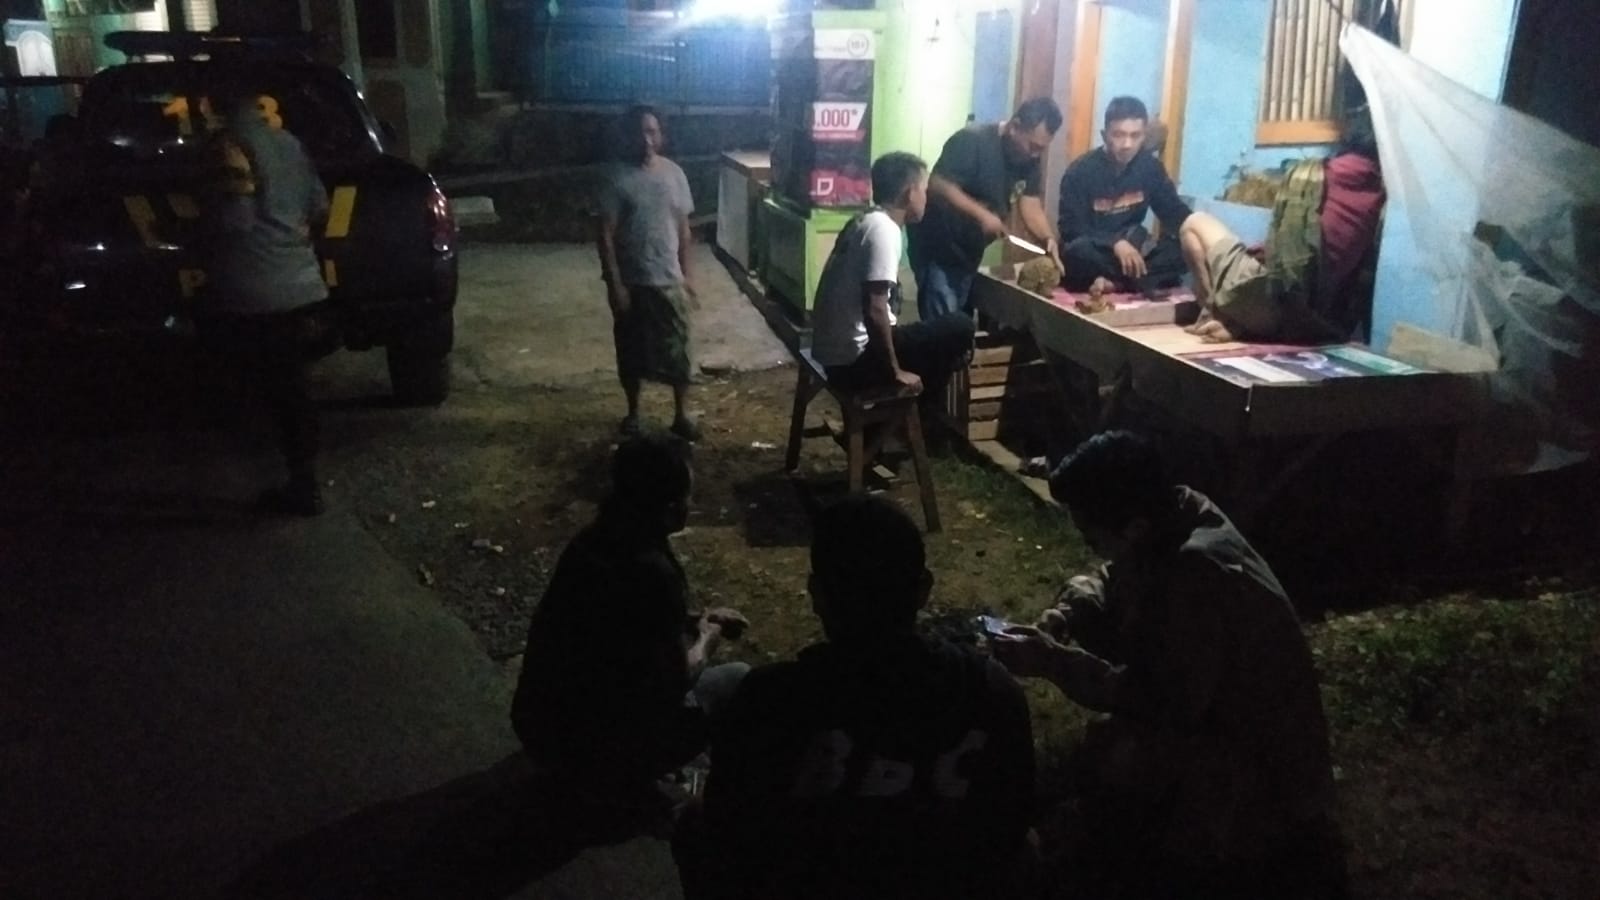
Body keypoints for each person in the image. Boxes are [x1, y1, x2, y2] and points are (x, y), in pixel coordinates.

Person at [990, 431, 1345, 899]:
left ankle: (1202, 847)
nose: (1088, 544)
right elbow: (1111, 574)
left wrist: (1054, 663)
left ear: (1135, 527)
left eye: (1091, 535)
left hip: (1265, 767)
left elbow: (1162, 701)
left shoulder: (1198, 575)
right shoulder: (1176, 512)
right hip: (1218, 713)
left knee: (1118, 755)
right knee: (1110, 737)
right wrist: (1067, 612)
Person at [679, 495, 1036, 900]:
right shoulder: (990, 693)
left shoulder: (769, 700)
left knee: (694, 820)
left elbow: (728, 824)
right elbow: (1010, 828)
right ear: (923, 589)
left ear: (816, 593)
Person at [511, 435, 749, 829]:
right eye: (686, 496)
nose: (690, 504)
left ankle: (599, 776)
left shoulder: (591, 542)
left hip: (538, 728)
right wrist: (708, 635)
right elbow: (677, 677)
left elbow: (625, 622)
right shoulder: (653, 570)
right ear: (669, 508)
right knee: (738, 680)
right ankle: (633, 786)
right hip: (591, 750)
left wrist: (695, 618)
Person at [198, 81, 334, 517]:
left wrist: (192, 232)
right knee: (294, 387)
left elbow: (234, 222)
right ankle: (304, 479)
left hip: (250, 291)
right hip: (304, 287)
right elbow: (319, 206)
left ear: (215, 103)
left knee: (272, 390)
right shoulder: (289, 142)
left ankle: (296, 485)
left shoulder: (228, 147)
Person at [1178, 109, 1386, 344]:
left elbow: (1282, 257)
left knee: (1193, 223)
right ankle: (1235, 324)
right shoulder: (1380, 190)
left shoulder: (1315, 174)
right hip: (1313, 318)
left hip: (1273, 298)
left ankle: (1214, 312)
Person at [811, 151, 976, 436]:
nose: (926, 198)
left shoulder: (866, 220)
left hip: (833, 353)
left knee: (940, 343)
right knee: (960, 327)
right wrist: (895, 371)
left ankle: (889, 427)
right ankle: (904, 425)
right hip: (852, 363)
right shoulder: (884, 231)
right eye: (923, 190)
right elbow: (875, 309)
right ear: (909, 193)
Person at [595, 104, 701, 441]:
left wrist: (688, 276)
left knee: (679, 350)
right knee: (632, 351)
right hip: (634, 281)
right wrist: (615, 285)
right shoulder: (616, 179)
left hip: (669, 279)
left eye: (652, 132)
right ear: (628, 136)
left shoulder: (674, 175)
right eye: (640, 132)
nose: (646, 140)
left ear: (661, 135)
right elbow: (605, 236)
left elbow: (684, 230)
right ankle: (634, 413)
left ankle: (681, 414)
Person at [907, 97, 1064, 321]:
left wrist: (1048, 239)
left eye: (1042, 149)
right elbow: (939, 183)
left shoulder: (1029, 161)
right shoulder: (971, 141)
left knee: (960, 325)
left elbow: (1030, 204)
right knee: (942, 326)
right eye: (1033, 146)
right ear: (1015, 126)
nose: (1035, 155)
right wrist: (982, 215)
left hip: (969, 252)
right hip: (938, 247)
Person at [1057, 96, 1193, 294]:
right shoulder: (1079, 172)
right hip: (1097, 251)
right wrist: (1114, 243)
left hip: (1136, 248)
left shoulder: (1150, 168)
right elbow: (1071, 229)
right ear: (1105, 135)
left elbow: (1174, 212)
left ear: (1144, 136)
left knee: (1185, 249)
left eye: (1135, 135)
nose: (1127, 144)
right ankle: (1137, 281)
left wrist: (1201, 233)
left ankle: (1115, 284)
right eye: (1119, 135)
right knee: (1075, 253)